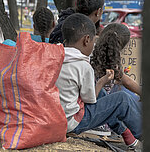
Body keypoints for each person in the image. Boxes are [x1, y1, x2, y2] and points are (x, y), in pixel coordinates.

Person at [55, 13, 142, 150]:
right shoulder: (83, 66)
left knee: (104, 95)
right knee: (122, 99)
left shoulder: (56, 57)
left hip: (57, 118)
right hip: (71, 122)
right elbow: (90, 100)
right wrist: (102, 82)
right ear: (86, 40)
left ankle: (128, 135)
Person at [91, 23, 142, 96]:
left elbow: (125, 80)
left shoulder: (93, 50)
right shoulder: (109, 59)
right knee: (125, 96)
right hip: (98, 100)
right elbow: (126, 81)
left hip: (99, 96)